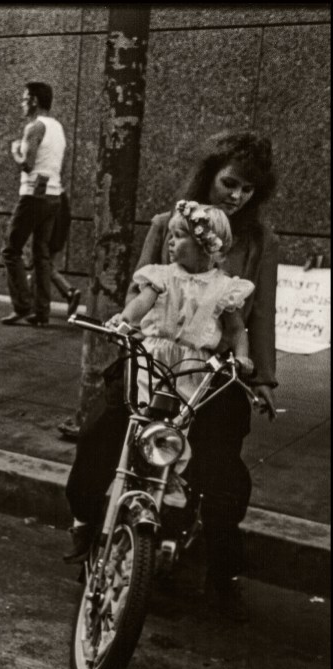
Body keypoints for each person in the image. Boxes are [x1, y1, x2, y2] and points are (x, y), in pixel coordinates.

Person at [63, 201, 257, 615]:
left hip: (193, 370)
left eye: (180, 236)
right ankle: (96, 518)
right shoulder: (162, 278)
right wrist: (124, 321)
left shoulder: (226, 288)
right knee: (124, 424)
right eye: (170, 234)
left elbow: (238, 329)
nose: (170, 242)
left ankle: (171, 492)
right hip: (150, 363)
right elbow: (142, 303)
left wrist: (242, 358)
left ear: (206, 244)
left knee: (181, 437)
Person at [120, 131, 279, 613]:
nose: (236, 196)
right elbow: (139, 293)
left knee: (224, 466)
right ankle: (95, 532)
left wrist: (261, 378)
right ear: (209, 175)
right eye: (230, 183)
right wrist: (125, 340)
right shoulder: (167, 223)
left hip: (216, 368)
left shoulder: (259, 240)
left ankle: (222, 567)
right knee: (109, 431)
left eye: (248, 190)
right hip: (154, 356)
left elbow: (260, 314)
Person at [1, 81, 67, 327]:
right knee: (41, 254)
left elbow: (27, 164)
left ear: (34, 101)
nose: (22, 103)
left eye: (24, 98)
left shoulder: (34, 127)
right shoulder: (57, 128)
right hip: (53, 195)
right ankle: (41, 313)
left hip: (33, 195)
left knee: (11, 248)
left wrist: (15, 151)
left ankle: (22, 306)